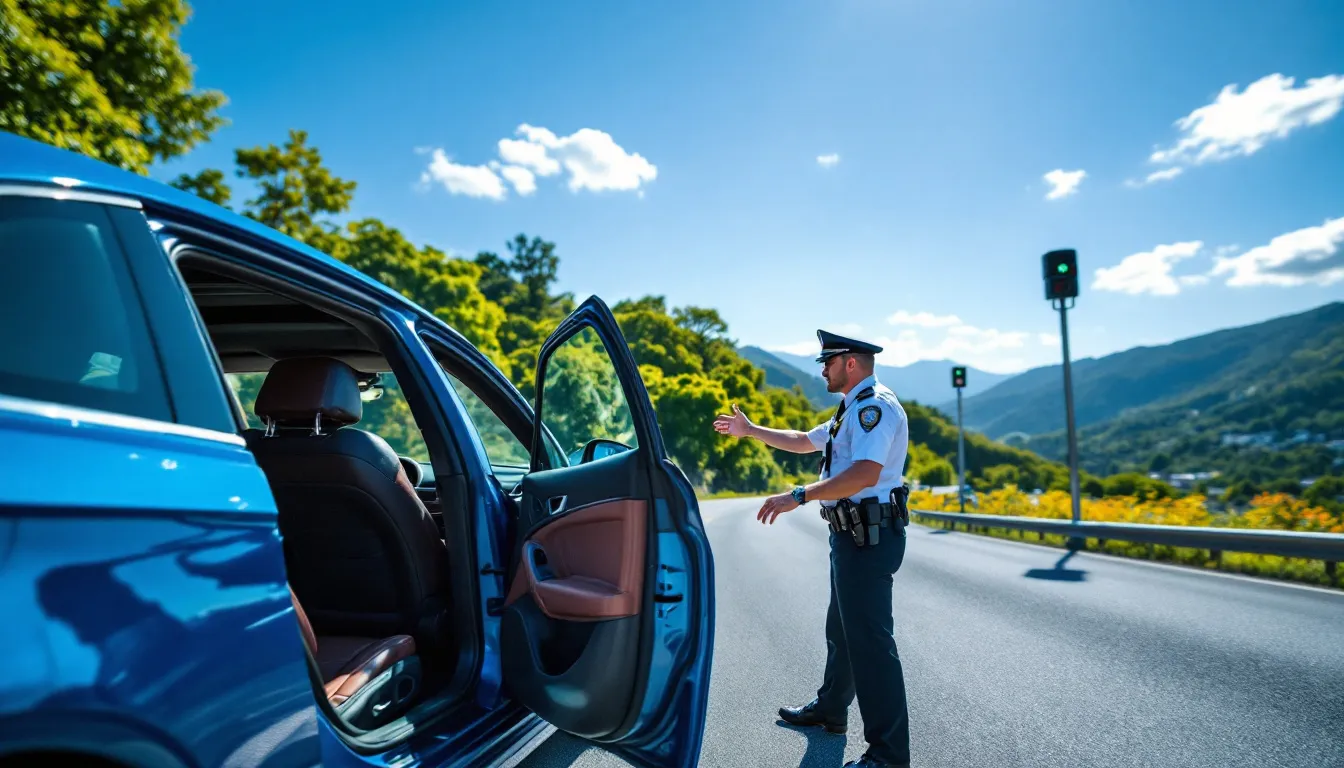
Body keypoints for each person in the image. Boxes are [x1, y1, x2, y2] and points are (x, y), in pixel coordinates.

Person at [713, 329, 912, 768]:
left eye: (829, 362)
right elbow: (803, 440)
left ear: (852, 363)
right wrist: (751, 432)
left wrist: (799, 495)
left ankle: (889, 755)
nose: (822, 369)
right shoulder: (850, 409)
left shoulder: (874, 408)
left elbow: (864, 474)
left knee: (871, 646)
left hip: (870, 537)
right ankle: (831, 710)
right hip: (853, 536)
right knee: (841, 630)